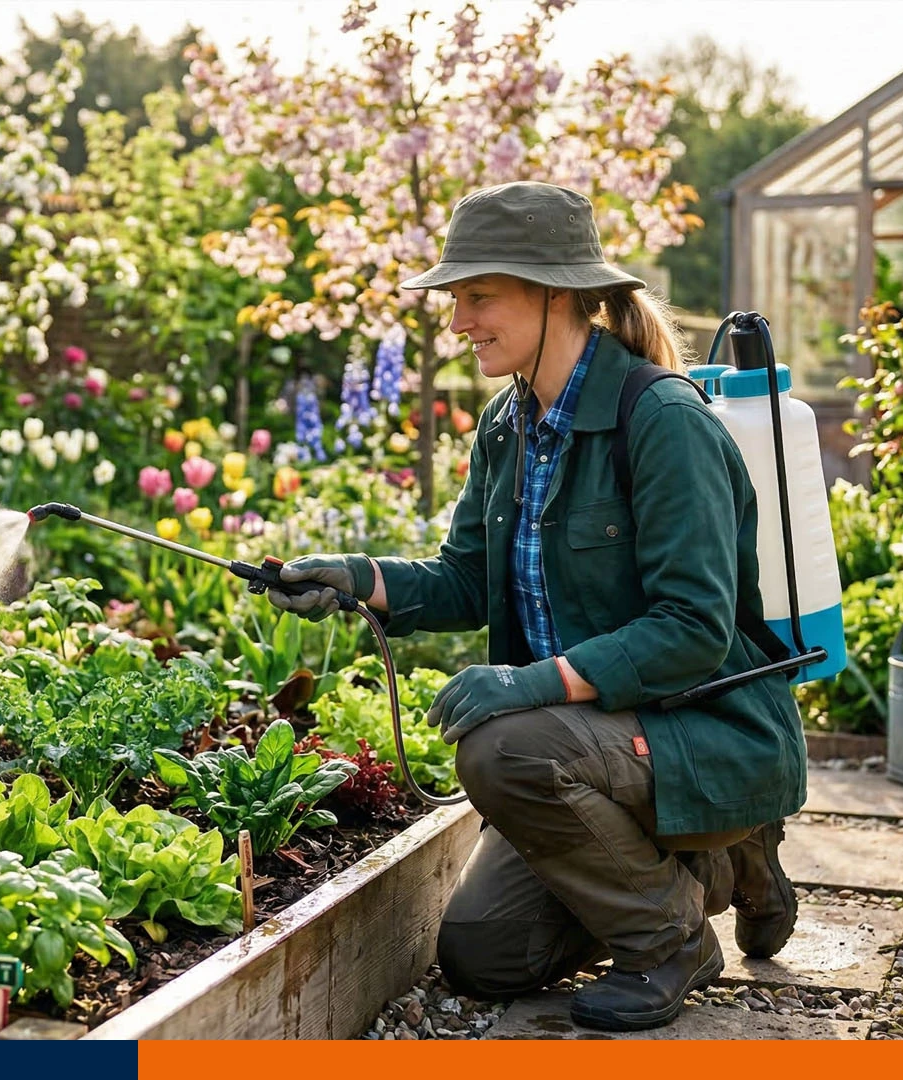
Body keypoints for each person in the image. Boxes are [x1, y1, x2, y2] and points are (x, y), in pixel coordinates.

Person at [269, 181, 804, 1033]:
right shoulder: (507, 424)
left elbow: (693, 629)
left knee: (503, 748)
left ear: (555, 293)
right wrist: (353, 577)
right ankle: (711, 866)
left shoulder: (663, 421)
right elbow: (464, 578)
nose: (459, 322)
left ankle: (671, 939)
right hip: (596, 741)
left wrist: (531, 684)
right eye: (456, 299)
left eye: (479, 296)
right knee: (486, 955)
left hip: (704, 726)